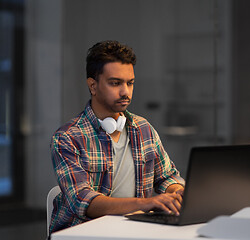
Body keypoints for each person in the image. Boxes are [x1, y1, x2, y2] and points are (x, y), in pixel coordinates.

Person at [49, 40, 185, 234]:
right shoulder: (67, 138)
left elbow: (167, 177)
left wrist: (176, 192)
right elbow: (84, 201)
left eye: (130, 83)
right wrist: (146, 203)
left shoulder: (143, 128)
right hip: (84, 234)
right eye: (115, 83)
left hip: (134, 231)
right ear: (93, 86)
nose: (125, 92)